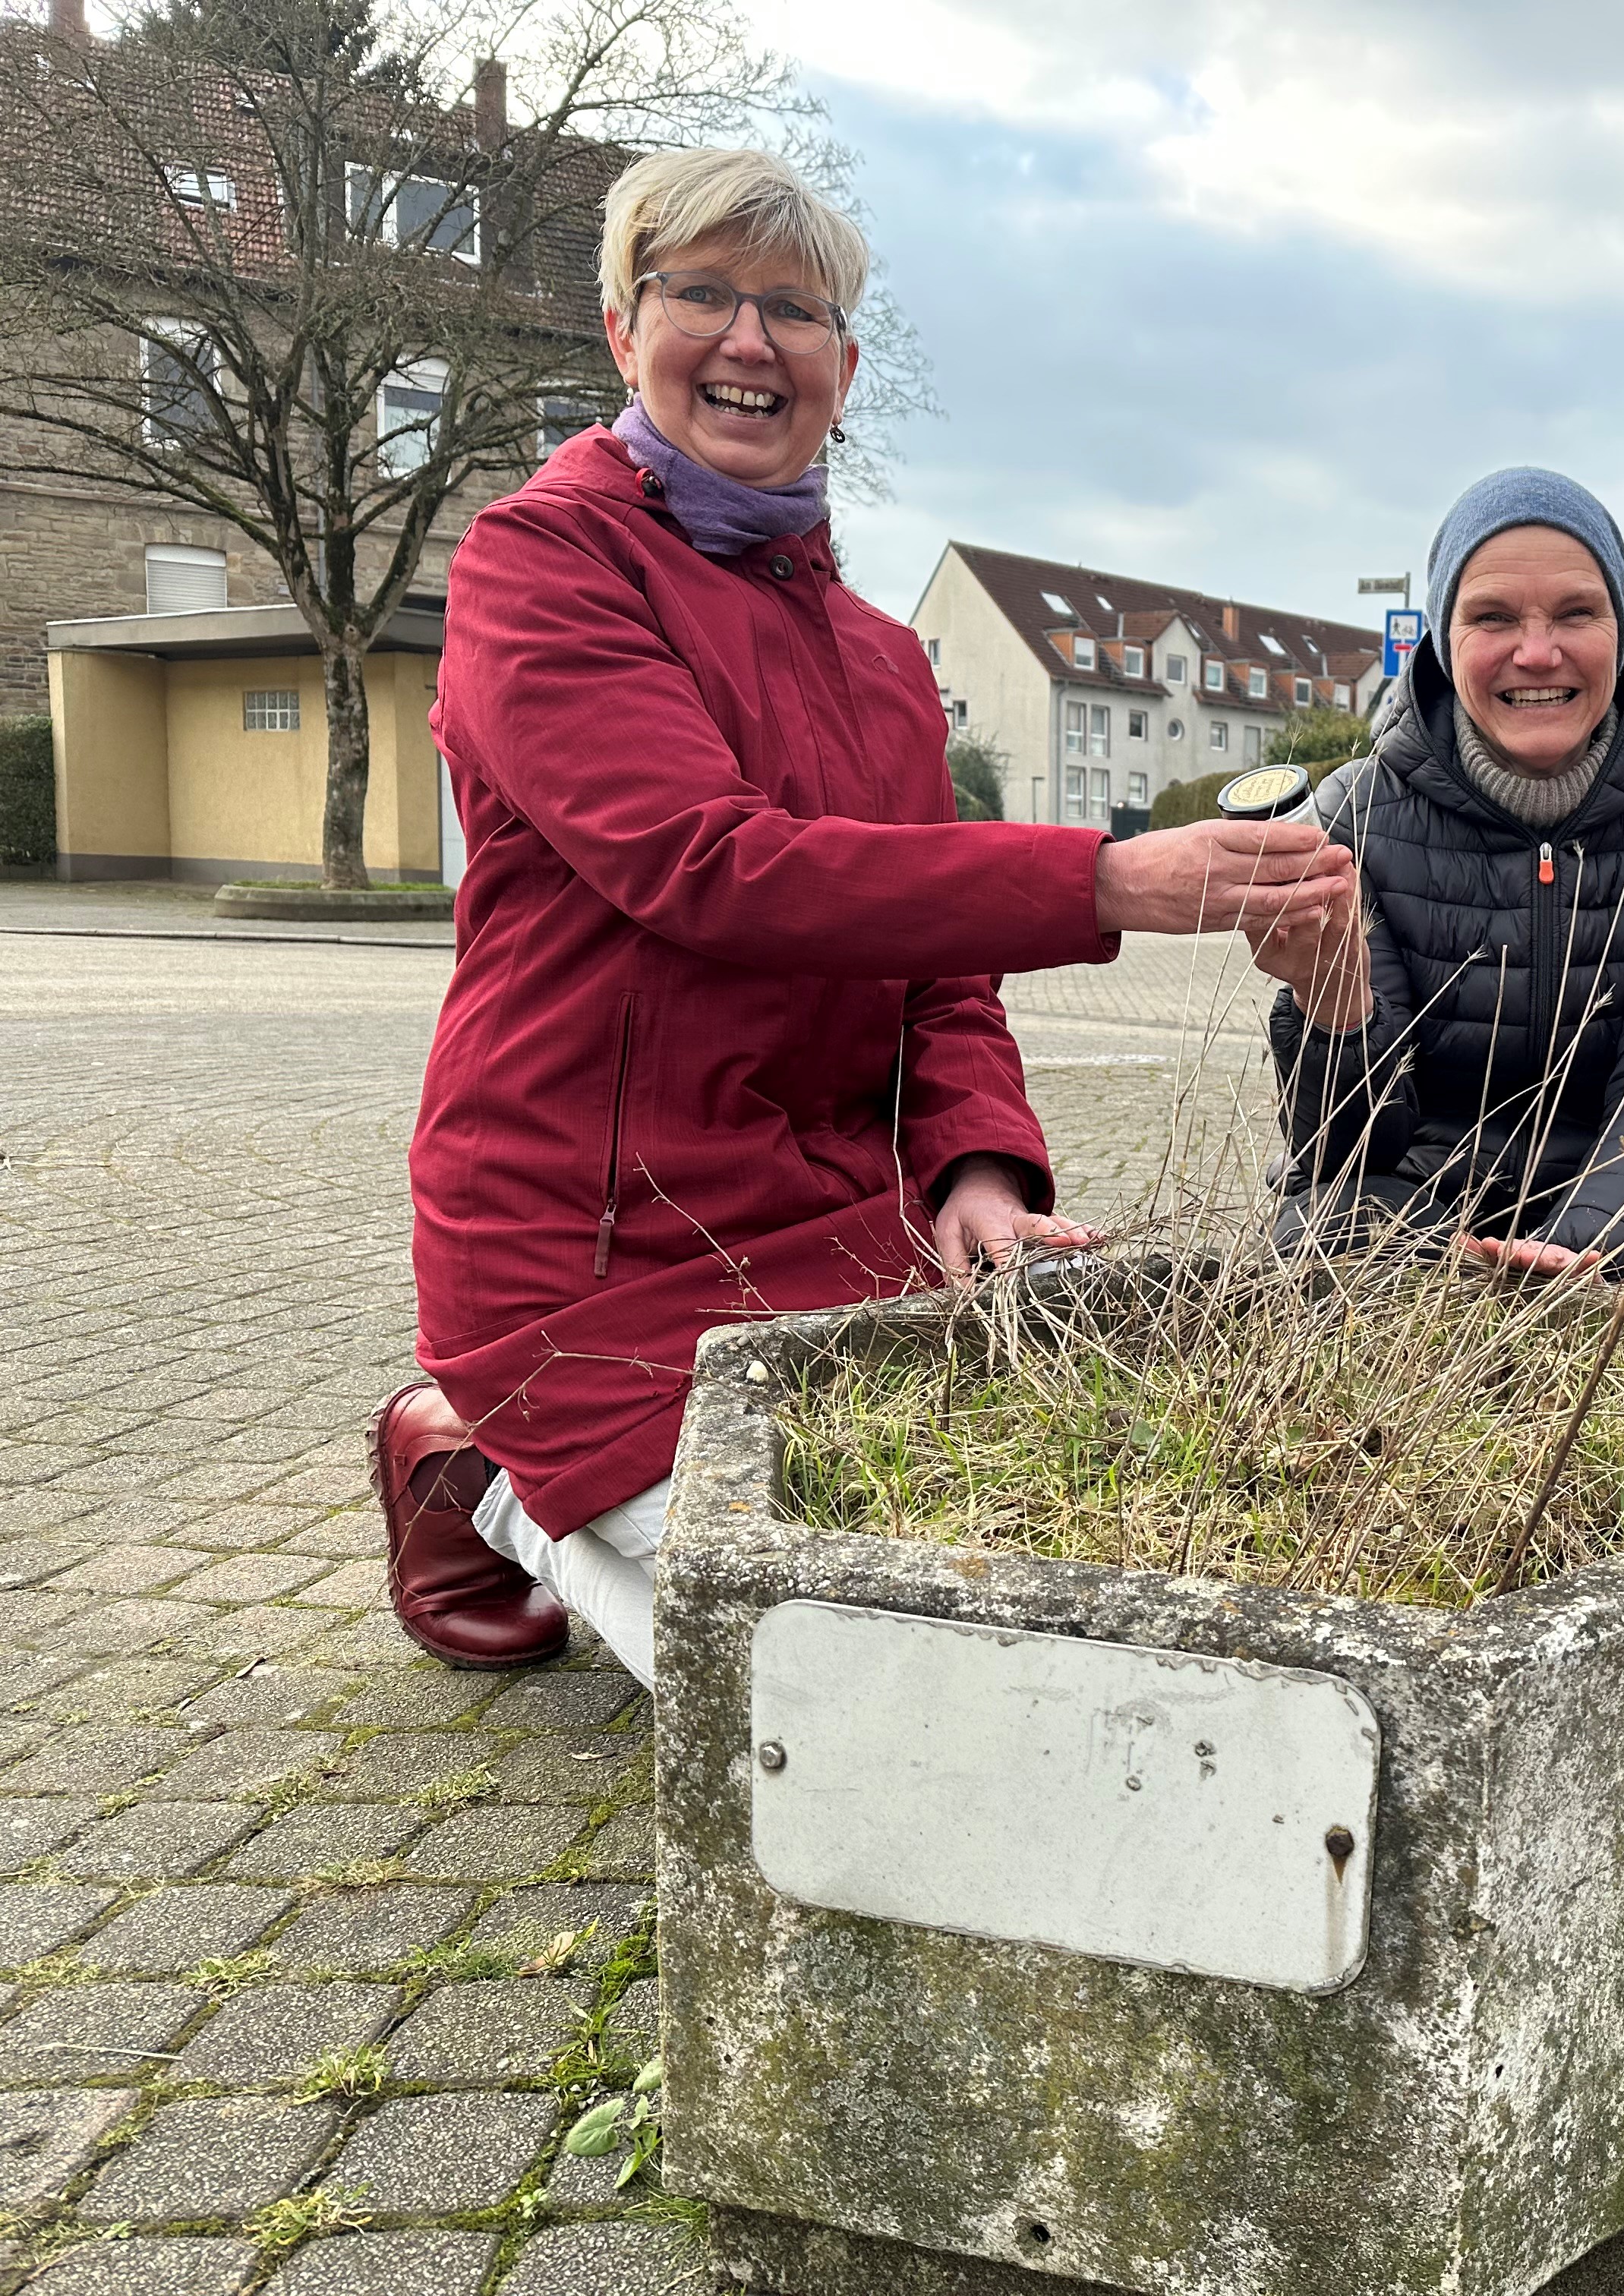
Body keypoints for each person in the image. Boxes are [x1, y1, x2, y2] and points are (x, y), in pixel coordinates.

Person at [367, 150, 1351, 1689]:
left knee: (1037, 1570)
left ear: (844, 367)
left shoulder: (883, 661)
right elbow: (706, 863)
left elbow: (939, 976)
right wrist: (1102, 877)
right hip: (590, 1251)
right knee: (842, 1689)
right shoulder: (540, 568)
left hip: (837, 1235)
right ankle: (486, 1469)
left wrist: (972, 1167)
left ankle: (497, 1468)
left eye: (795, 311)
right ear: (625, 331)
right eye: (701, 294)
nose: (748, 341)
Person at [1245, 468, 1624, 1354]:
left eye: (1576, 614)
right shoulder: (1355, 816)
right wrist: (1331, 1001)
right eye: (1494, 617)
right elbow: (1344, 1150)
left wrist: (1569, 1258)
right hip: (1389, 1222)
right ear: (1441, 636)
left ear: (1620, 631)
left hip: (1601, 1235)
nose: (1536, 654)